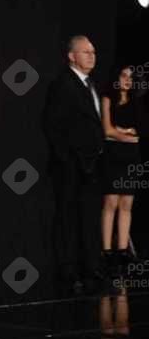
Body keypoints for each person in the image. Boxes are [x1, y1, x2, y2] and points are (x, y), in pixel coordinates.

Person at [43, 35, 105, 296]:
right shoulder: (63, 85)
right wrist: (69, 160)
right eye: (86, 52)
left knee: (88, 218)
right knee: (68, 219)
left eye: (94, 52)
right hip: (70, 167)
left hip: (91, 166)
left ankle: (91, 269)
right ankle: (68, 272)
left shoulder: (90, 84)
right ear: (71, 56)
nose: (92, 56)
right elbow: (53, 126)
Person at [100, 64, 141, 283]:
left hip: (131, 157)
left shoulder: (135, 103)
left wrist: (122, 133)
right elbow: (107, 130)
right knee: (111, 203)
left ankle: (123, 251)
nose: (127, 80)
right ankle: (107, 253)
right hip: (113, 156)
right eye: (124, 75)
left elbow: (139, 131)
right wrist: (126, 135)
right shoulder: (108, 99)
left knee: (126, 204)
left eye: (131, 77)